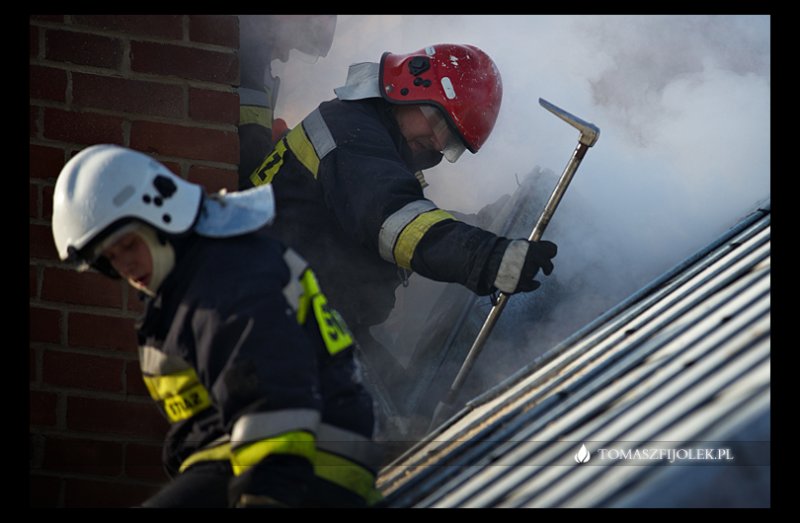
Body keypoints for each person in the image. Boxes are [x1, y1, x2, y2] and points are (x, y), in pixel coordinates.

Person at [51, 144, 381, 508]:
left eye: (129, 244)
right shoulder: (192, 285)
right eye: (111, 259)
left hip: (303, 468)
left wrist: (265, 493)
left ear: (163, 216)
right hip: (258, 461)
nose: (125, 265)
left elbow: (272, 395)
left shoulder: (226, 281)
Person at [238, 43, 558, 399]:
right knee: (383, 432)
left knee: (410, 414)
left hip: (313, 316)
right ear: (406, 90)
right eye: (438, 122)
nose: (437, 141)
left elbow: (404, 212)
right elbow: (395, 221)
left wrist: (485, 225)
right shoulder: (349, 134)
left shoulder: (374, 141)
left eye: (450, 142)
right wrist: (489, 256)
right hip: (282, 323)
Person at [237, 15, 337, 187]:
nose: (285, 57)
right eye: (291, 42)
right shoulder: (249, 56)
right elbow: (251, 148)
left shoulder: (256, 62)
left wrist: (279, 138)